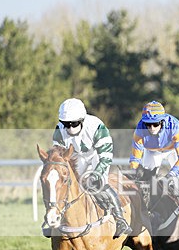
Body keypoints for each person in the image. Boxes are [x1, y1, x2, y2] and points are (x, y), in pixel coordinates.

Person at [52, 98, 131, 237]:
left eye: (74, 123)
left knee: (96, 184)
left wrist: (97, 174)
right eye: (66, 124)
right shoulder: (59, 129)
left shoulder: (96, 127)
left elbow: (105, 156)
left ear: (82, 120)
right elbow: (59, 156)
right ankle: (52, 219)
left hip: (96, 156)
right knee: (62, 186)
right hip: (75, 157)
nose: (70, 128)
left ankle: (120, 219)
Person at [129, 100, 179, 235]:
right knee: (145, 181)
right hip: (152, 151)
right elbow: (135, 159)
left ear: (163, 122)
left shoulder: (175, 128)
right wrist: (135, 173)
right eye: (148, 124)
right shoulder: (139, 130)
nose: (152, 128)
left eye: (155, 124)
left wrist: (171, 175)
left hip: (173, 151)